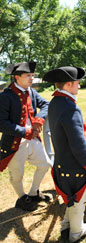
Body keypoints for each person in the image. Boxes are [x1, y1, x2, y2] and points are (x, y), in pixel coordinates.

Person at [43, 66, 86, 242]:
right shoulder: (69, 107)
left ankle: (67, 224)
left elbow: (66, 123)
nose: (79, 86)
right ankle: (77, 232)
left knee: (70, 196)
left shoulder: (56, 102)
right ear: (68, 84)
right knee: (78, 200)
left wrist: (83, 124)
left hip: (62, 161)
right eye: (77, 83)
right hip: (74, 164)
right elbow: (78, 144)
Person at [0, 62, 52, 211]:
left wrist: (39, 119)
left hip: (33, 139)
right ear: (17, 77)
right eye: (28, 75)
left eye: (32, 75)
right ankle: (22, 197)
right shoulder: (5, 96)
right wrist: (25, 132)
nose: (32, 78)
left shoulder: (31, 92)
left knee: (45, 165)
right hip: (15, 143)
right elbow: (2, 124)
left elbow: (46, 105)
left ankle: (34, 193)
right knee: (17, 175)